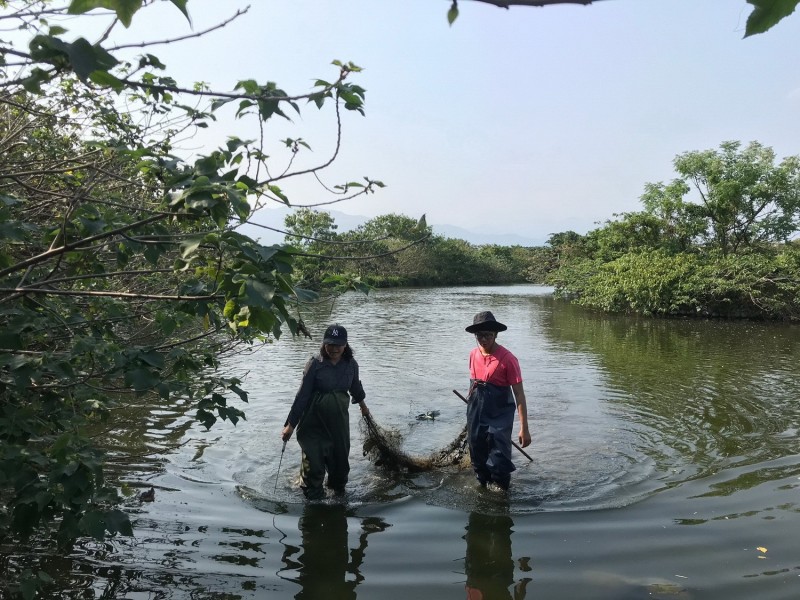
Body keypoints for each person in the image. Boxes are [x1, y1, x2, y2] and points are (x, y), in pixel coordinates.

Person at [281, 324, 370, 500]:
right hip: (313, 424)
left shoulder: (351, 365)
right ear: (324, 343)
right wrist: (290, 425)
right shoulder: (314, 364)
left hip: (338, 425)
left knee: (340, 469)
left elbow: (355, 387)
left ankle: (337, 506)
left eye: (338, 345)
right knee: (313, 468)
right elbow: (302, 396)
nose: (334, 349)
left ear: (345, 345)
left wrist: (363, 407)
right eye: (330, 344)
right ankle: (314, 504)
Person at [465, 311, 531, 490]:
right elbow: (474, 385)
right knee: (477, 456)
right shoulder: (473, 354)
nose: (483, 339)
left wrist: (524, 428)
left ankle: (502, 495)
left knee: (499, 460)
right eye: (479, 335)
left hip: (499, 416)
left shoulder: (508, 359)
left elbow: (519, 395)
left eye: (487, 335)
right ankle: (483, 487)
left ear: (495, 335)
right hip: (476, 413)